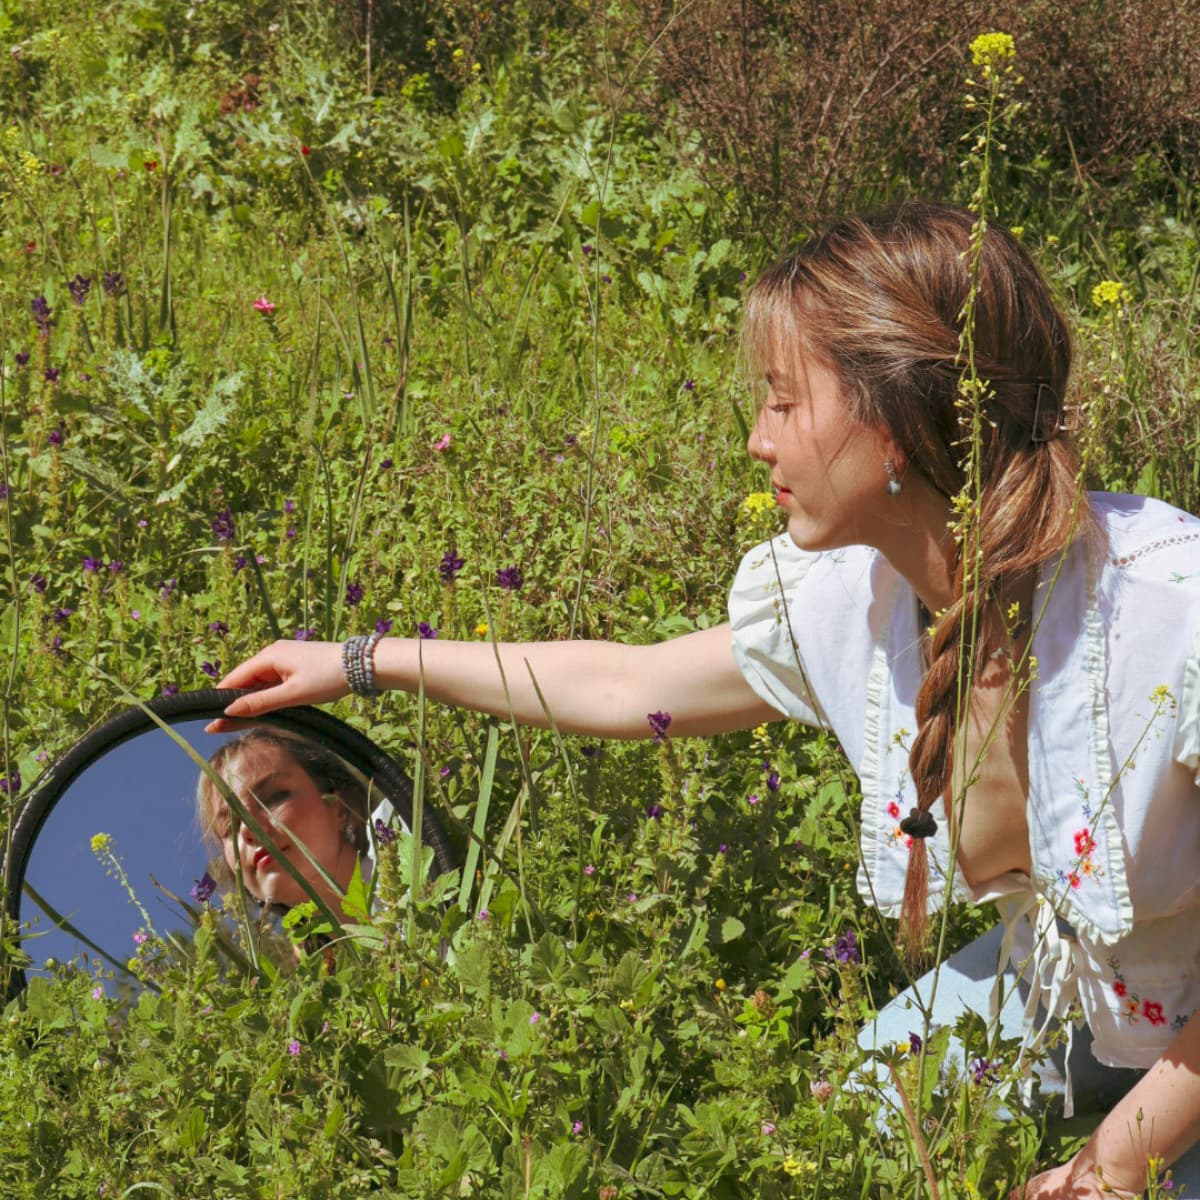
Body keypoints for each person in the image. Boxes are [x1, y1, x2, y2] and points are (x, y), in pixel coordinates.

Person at [213, 201, 1200, 1199]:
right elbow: (629, 683)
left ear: (895, 418)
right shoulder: (855, 608)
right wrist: (362, 661)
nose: (756, 443)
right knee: (849, 1123)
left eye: (782, 401)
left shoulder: (1168, 618)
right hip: (1080, 993)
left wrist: (1111, 1164)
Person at [196, 727, 377, 917]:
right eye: (230, 827)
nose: (248, 830)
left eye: (273, 798)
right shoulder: (309, 946)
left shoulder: (405, 830)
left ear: (341, 806)